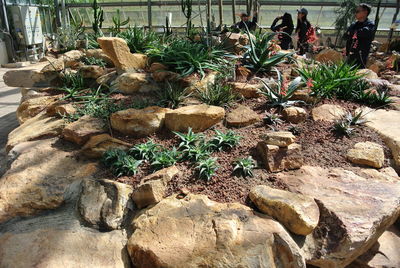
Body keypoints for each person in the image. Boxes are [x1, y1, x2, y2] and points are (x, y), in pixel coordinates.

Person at [343, 3, 375, 68]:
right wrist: (354, 33)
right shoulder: (353, 24)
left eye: (357, 11)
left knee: (359, 73)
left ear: (365, 12)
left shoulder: (370, 25)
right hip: (350, 54)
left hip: (361, 56)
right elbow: (345, 36)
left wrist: (352, 33)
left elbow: (363, 32)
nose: (355, 13)